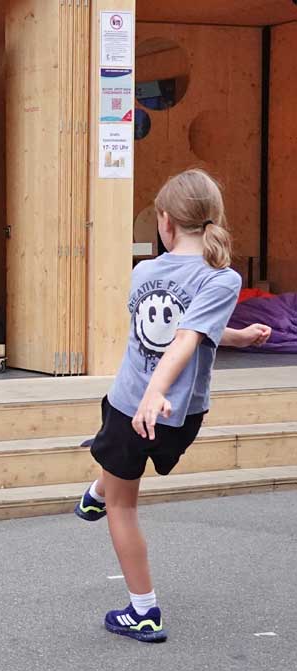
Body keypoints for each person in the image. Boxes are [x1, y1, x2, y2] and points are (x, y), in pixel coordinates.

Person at [73, 168, 272, 643]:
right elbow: (189, 330)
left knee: (122, 503)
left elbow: (183, 336)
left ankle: (143, 612)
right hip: (181, 416)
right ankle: (98, 490)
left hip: (133, 406)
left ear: (164, 221)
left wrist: (152, 391)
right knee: (119, 467)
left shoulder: (144, 271)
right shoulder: (223, 279)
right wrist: (239, 336)